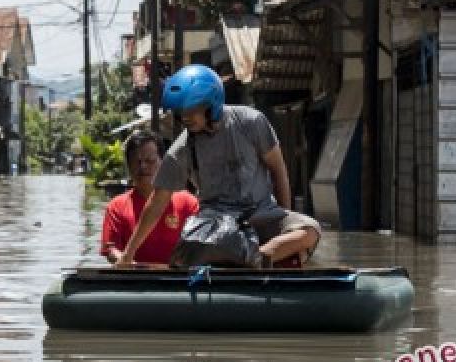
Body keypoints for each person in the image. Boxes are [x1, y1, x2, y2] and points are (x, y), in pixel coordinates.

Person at [116, 65, 320, 269]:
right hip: (216, 225)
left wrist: (281, 221)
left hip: (262, 213)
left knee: (310, 230)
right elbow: (156, 202)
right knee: (197, 248)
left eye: (192, 109)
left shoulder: (251, 122)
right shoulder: (182, 148)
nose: (185, 117)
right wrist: (128, 254)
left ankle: (256, 258)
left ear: (211, 103)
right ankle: (247, 259)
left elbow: (279, 172)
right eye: (181, 111)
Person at [101, 130, 199, 265]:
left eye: (150, 161)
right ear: (128, 166)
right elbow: (111, 249)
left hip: (178, 280)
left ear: (163, 163)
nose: (143, 167)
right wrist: (127, 262)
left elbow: (199, 247)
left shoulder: (188, 202)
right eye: (137, 161)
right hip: (135, 277)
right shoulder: (116, 206)